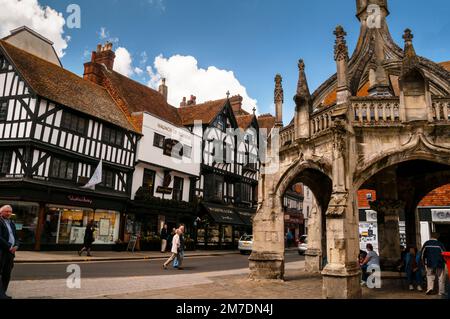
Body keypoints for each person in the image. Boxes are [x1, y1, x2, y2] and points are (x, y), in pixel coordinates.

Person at [0, 205, 19, 299]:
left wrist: (16, 245)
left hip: (10, 253)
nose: (8, 213)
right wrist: (9, 246)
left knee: (7, 273)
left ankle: (4, 293)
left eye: (10, 212)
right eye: (6, 211)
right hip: (2, 251)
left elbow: (16, 236)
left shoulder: (11, 223)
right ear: (1, 212)